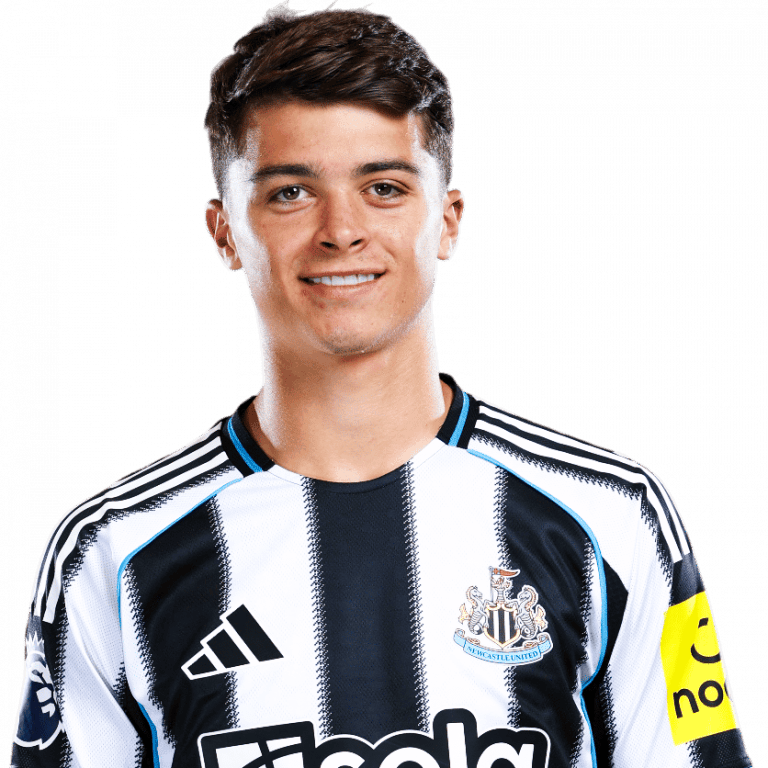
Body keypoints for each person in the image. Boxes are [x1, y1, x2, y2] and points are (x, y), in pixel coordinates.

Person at [10, 3, 754, 767]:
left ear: (447, 221)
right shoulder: (111, 552)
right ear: (225, 231)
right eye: (290, 192)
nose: (341, 230)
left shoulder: (615, 517)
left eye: (386, 187)